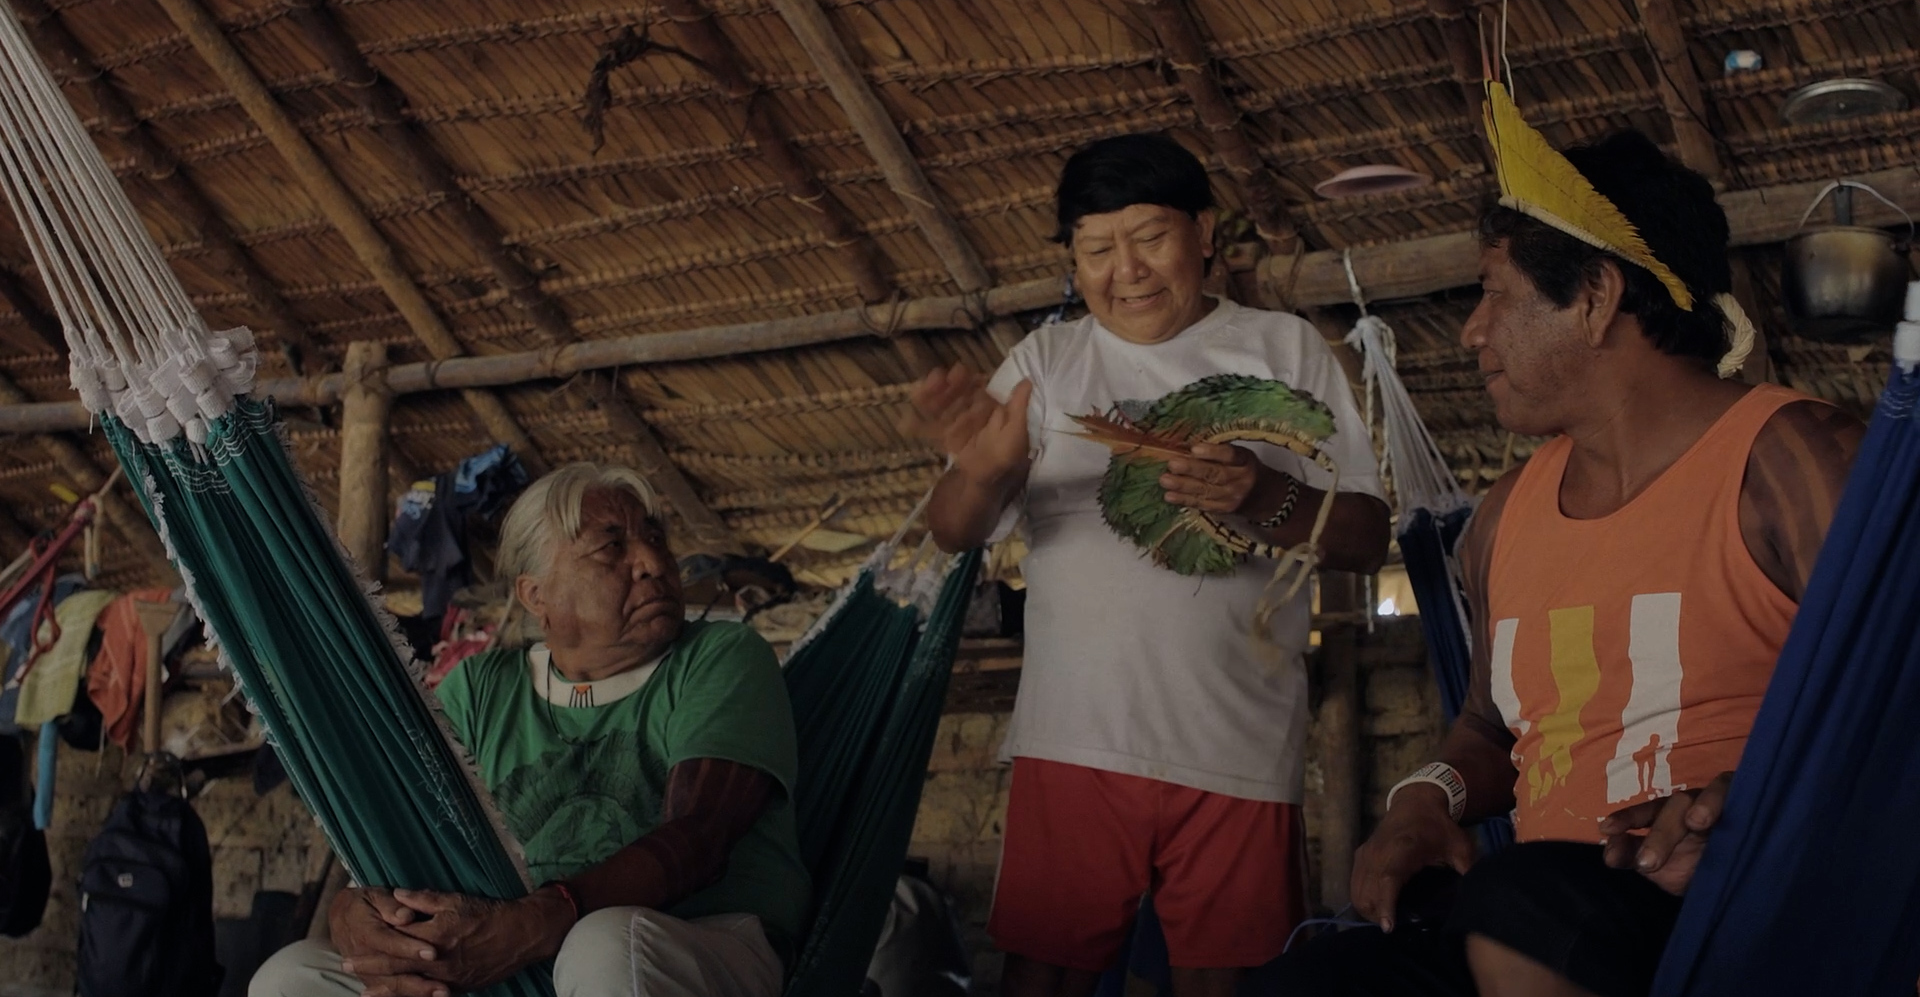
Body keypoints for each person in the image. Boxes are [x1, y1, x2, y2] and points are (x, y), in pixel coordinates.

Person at [1270, 125, 1864, 997]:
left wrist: (1756, 802)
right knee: (1315, 980)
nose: (1471, 331)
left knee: (1522, 903)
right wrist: (1425, 796)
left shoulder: (1791, 461)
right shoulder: (1502, 518)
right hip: (1540, 919)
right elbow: (1488, 730)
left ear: (1594, 296)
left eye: (1492, 294)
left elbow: (1897, 691)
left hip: (1746, 903)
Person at [908, 133, 1390, 997]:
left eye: (1149, 237)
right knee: (1043, 977)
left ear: (1204, 232)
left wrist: (1259, 495)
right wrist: (979, 469)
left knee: (1225, 981)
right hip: (1077, 737)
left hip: (1236, 741)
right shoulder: (1046, 367)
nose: (1124, 269)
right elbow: (954, 531)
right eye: (1096, 249)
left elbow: (1362, 535)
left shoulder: (1284, 350)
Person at [251, 463, 811, 997]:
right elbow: (408, 835)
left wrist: (535, 922)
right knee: (292, 977)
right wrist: (357, 908)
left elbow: (701, 838)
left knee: (605, 947)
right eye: (612, 547)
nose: (652, 562)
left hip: (694, 945)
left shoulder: (719, 657)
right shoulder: (480, 690)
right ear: (535, 595)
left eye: (656, 539)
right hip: (513, 957)